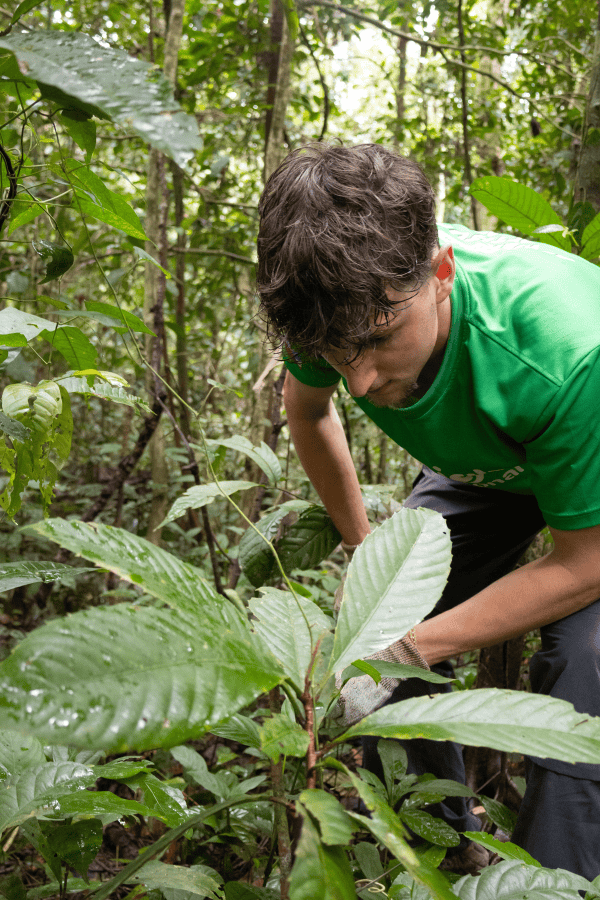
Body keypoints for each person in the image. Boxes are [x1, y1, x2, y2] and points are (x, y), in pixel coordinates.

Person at [256, 141, 600, 880]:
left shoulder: (567, 347)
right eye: (337, 354)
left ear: (441, 275)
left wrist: (414, 647)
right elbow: (310, 412)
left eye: (381, 341)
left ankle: (544, 885)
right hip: (489, 465)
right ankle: (443, 852)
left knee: (584, 665)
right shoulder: (335, 300)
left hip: (586, 447)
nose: (362, 379)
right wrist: (366, 554)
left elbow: (585, 563)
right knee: (375, 616)